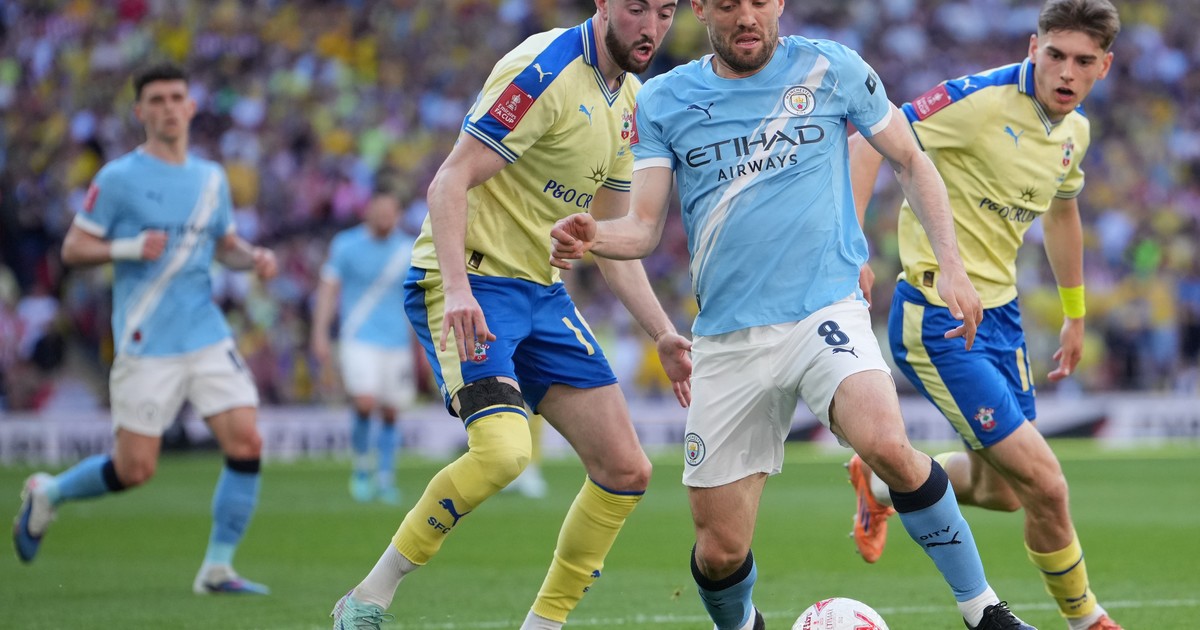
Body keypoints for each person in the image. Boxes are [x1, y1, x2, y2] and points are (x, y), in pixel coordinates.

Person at [549, 1, 1037, 628]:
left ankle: (984, 611)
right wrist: (596, 236)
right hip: (728, 338)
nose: (746, 17)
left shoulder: (831, 68)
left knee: (887, 445)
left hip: (824, 309)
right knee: (720, 553)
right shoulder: (665, 99)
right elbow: (641, 227)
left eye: (759, 1)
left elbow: (911, 159)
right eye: (728, 5)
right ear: (701, 9)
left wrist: (952, 264)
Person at [329, 2, 691, 628]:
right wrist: (457, 289)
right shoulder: (544, 68)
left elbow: (609, 238)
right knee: (502, 453)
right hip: (471, 281)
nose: (652, 28)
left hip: (540, 293)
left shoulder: (632, 101)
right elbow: (448, 181)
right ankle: (367, 598)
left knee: (626, 469)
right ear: (604, 4)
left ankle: (542, 626)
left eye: (664, 12)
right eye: (637, 8)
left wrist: (662, 332)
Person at [845, 1, 1123, 629]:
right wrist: (852, 248)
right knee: (1046, 485)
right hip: (938, 319)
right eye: (1055, 54)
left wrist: (1075, 313)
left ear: (1104, 67)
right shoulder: (976, 101)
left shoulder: (1074, 132)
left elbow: (1062, 213)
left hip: (1001, 317)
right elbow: (869, 142)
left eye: (1083, 61)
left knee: (1005, 491)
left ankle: (881, 482)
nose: (1067, 72)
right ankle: (1087, 619)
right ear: (1032, 48)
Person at [13, 62, 278, 595]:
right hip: (145, 341)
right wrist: (130, 246)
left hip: (205, 334)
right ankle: (49, 492)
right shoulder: (118, 178)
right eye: (156, 100)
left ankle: (217, 568)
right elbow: (73, 248)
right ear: (140, 112)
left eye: (176, 97)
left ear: (191, 107)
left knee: (247, 441)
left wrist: (252, 258)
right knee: (135, 469)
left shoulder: (211, 177)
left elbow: (223, 244)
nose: (168, 108)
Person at [311, 190, 417, 505]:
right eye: (380, 211)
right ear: (368, 211)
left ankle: (385, 478)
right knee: (365, 402)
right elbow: (329, 289)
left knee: (391, 411)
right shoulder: (346, 245)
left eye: (391, 212)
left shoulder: (408, 249)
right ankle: (361, 469)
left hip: (396, 340)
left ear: (398, 214)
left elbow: (418, 297)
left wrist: (421, 342)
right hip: (358, 337)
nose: (385, 217)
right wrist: (319, 333)